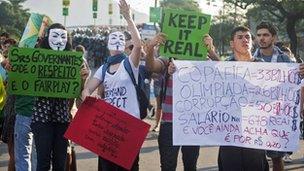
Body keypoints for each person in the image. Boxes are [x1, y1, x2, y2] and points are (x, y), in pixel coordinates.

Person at [145, 32, 219, 171]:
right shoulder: (168, 58)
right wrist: (151, 47)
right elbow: (151, 67)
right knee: (167, 166)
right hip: (169, 123)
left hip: (192, 123)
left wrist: (211, 50)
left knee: (190, 166)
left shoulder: (203, 60)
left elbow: (222, 72)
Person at [81, 0, 142, 170]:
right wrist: (88, 97)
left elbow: (138, 45)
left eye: (120, 38)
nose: (116, 41)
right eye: (113, 38)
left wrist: (128, 17)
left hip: (129, 127)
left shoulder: (130, 63)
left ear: (124, 44)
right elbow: (87, 90)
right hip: (108, 128)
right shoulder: (104, 67)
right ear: (107, 43)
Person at [31, 23, 89, 171]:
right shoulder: (37, 58)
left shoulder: (76, 61)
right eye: (55, 36)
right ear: (47, 38)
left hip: (63, 117)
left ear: (67, 40)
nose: (59, 40)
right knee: (43, 162)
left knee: (60, 162)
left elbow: (79, 94)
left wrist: (83, 80)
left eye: (63, 36)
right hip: (41, 117)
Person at [217, 26, 269, 171]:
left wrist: (298, 74)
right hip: (229, 135)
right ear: (232, 44)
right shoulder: (223, 67)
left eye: (248, 37)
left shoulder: (264, 67)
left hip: (255, 135)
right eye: (240, 37)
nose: (245, 40)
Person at [253, 21, 294, 171]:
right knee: (256, 159)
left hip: (276, 117)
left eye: (265, 35)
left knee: (276, 158)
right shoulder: (248, 60)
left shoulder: (285, 60)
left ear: (273, 38)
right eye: (258, 35)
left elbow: (295, 85)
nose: (261, 38)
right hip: (253, 117)